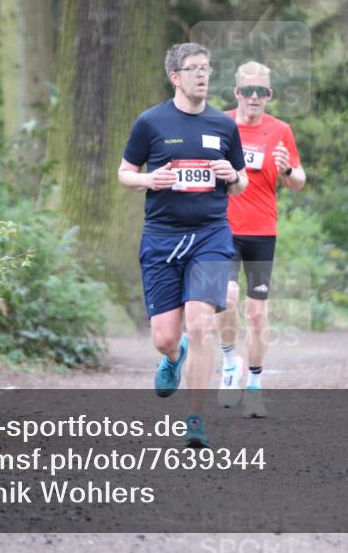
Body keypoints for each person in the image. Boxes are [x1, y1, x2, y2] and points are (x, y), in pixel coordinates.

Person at [117, 43, 248, 448]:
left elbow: (241, 183)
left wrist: (232, 174)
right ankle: (174, 358)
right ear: (175, 76)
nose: (202, 75)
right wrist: (147, 181)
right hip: (162, 238)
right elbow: (125, 173)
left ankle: (195, 419)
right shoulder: (151, 122)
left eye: (206, 69)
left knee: (201, 322)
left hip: (210, 235)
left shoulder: (223, 125)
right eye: (193, 69)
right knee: (165, 338)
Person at [216, 61, 305, 418]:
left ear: (269, 95)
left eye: (261, 92)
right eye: (247, 91)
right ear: (237, 92)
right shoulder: (218, 123)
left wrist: (286, 169)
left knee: (256, 312)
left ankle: (253, 385)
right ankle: (227, 365)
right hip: (221, 227)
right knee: (225, 296)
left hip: (262, 231)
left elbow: (298, 179)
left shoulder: (280, 130)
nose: (254, 97)